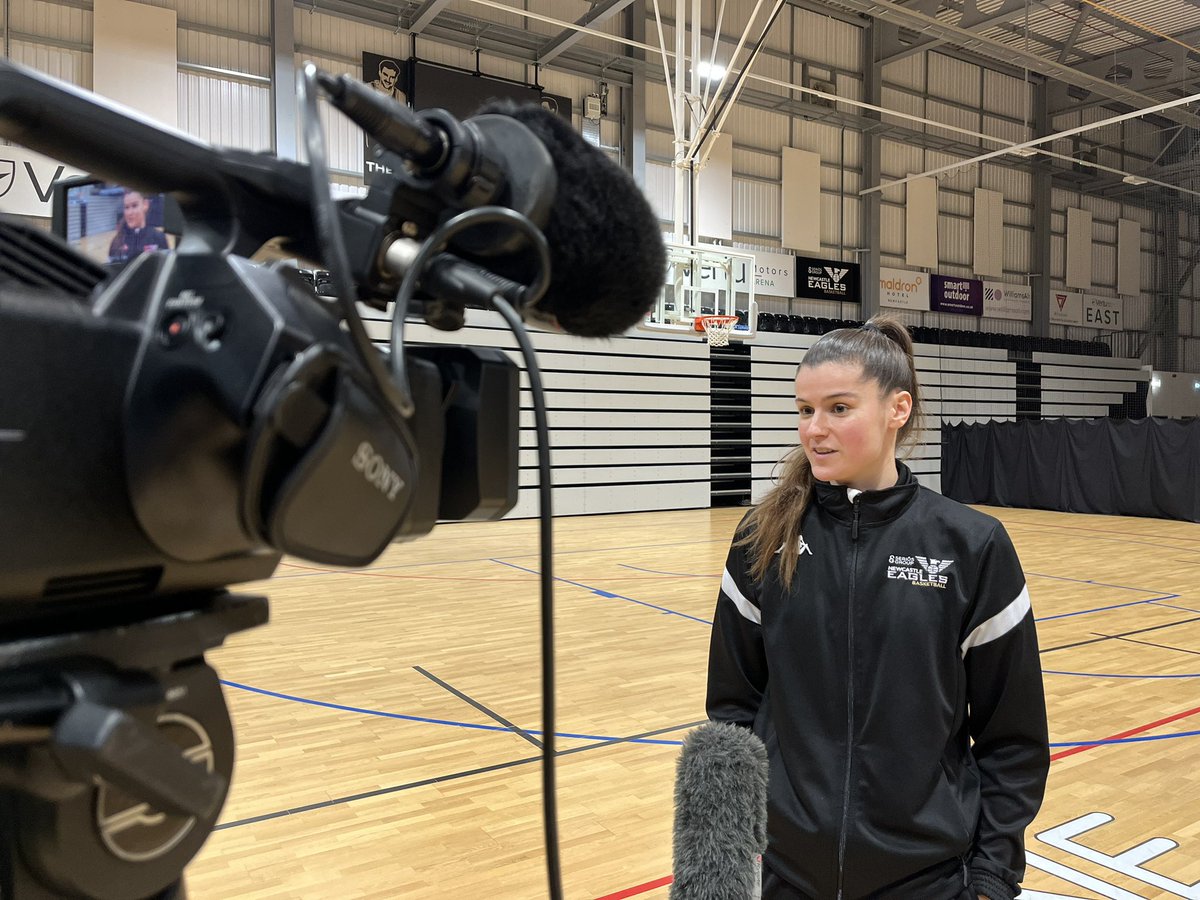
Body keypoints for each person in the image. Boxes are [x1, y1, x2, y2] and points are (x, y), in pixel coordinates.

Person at [707, 316, 1049, 900]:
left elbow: (1012, 738)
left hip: (932, 880)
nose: (814, 429)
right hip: (788, 875)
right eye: (804, 409)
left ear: (898, 409)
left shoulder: (971, 545)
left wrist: (991, 878)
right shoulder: (761, 538)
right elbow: (732, 713)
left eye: (839, 408)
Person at [107, 189, 170, 263]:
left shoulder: (159, 237)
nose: (129, 212)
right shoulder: (117, 241)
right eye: (126, 207)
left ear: (145, 205)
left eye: (134, 206)